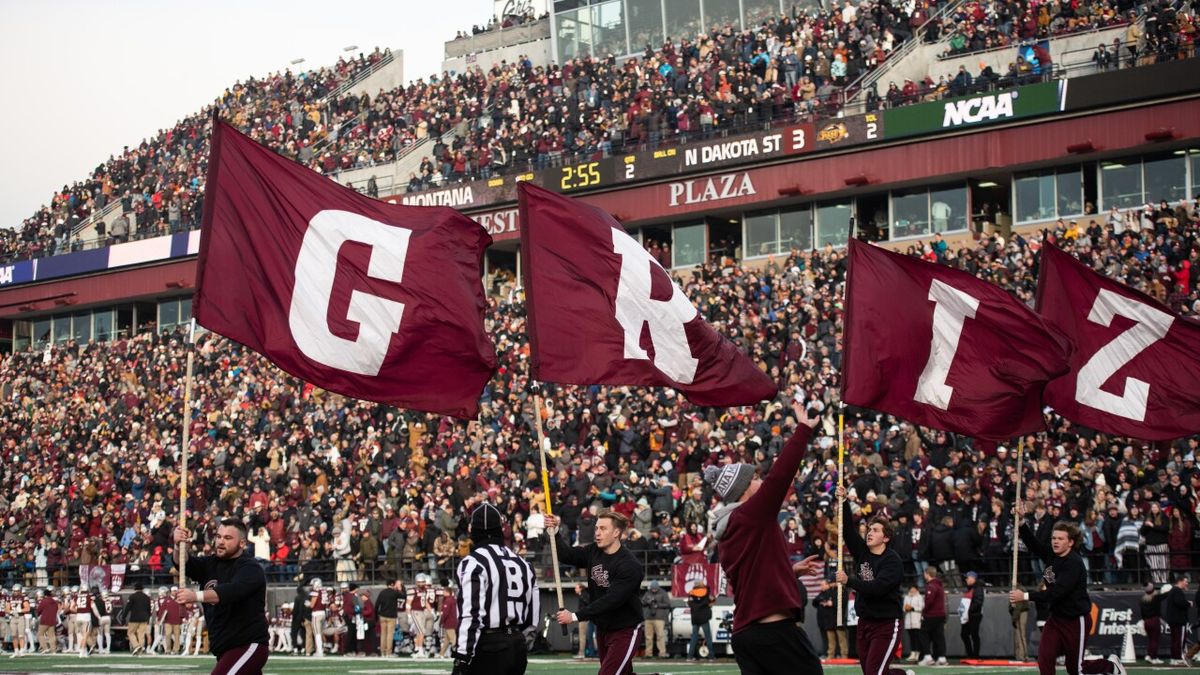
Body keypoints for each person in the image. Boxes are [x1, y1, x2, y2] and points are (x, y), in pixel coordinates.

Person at [704, 400, 823, 674]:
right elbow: (780, 477)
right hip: (774, 632)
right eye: (755, 478)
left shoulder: (729, 530)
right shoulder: (752, 514)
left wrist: (788, 571)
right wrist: (803, 429)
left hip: (746, 635)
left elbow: (753, 575)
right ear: (744, 490)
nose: (761, 480)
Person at [1009, 508, 1124, 675]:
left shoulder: (1074, 564)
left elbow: (1055, 593)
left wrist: (1025, 596)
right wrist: (1021, 521)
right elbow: (1033, 544)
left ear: (1070, 542)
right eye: (1054, 538)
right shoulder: (1052, 554)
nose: (1055, 542)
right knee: (1045, 658)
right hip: (1056, 618)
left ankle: (1111, 667)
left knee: (1075, 669)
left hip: (1076, 620)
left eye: (1060, 539)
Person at [546, 509, 644, 675]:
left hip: (625, 629)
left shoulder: (629, 565)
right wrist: (555, 531)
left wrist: (575, 616)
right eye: (596, 528)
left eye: (603, 529)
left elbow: (611, 600)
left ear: (616, 532)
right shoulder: (593, 551)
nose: (597, 533)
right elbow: (566, 555)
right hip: (603, 628)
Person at [173, 518, 270, 675]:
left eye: (228, 538)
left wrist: (195, 596)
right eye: (218, 536)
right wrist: (178, 545)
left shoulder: (251, 568)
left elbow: (230, 591)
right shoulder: (210, 563)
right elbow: (183, 564)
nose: (220, 542)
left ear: (242, 543)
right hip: (224, 649)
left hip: (247, 645)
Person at [452, 503, 538, 675]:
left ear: (473, 530)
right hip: (517, 645)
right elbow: (532, 614)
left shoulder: (473, 562)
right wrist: (520, 638)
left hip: (489, 645)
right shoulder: (523, 563)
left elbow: (471, 613)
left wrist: (463, 655)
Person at [835, 484, 911, 675]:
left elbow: (877, 588)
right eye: (869, 529)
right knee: (872, 672)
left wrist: (848, 581)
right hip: (864, 622)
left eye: (875, 530)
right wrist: (844, 501)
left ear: (885, 538)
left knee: (874, 673)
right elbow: (848, 532)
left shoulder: (892, 561)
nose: (869, 532)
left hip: (886, 623)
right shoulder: (862, 553)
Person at [918, 567, 947, 666]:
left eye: (924, 573)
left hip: (931, 615)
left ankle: (927, 657)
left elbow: (929, 601)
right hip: (941, 614)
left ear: (927, 574)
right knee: (939, 636)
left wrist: (924, 613)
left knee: (922, 633)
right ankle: (942, 658)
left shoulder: (931, 586)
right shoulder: (939, 585)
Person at [1162, 575, 1192, 666]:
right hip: (1179, 620)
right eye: (1186, 581)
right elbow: (1180, 603)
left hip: (1173, 620)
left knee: (1175, 640)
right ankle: (1178, 658)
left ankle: (1174, 658)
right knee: (1179, 640)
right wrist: (1188, 603)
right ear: (1180, 581)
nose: (1187, 583)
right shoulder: (1177, 591)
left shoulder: (1173, 591)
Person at [686, 581, 715, 661]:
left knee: (694, 638)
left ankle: (689, 657)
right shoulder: (706, 592)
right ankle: (711, 657)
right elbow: (712, 600)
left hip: (695, 617)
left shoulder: (691, 593)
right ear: (702, 585)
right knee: (708, 637)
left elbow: (689, 604)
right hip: (704, 618)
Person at [958, 571, 984, 660]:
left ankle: (975, 655)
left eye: (968, 578)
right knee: (964, 634)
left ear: (973, 578)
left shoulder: (978, 588)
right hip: (967, 616)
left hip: (974, 615)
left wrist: (969, 610)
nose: (966, 579)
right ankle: (970, 654)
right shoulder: (969, 588)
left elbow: (978, 602)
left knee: (974, 635)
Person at [641, 580, 669, 659]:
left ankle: (662, 653)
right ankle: (648, 653)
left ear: (657, 587)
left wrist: (658, 605)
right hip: (648, 618)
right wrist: (647, 602)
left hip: (659, 618)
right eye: (652, 588)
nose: (653, 590)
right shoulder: (647, 593)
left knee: (660, 636)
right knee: (648, 637)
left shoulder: (663, 593)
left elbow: (668, 604)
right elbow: (642, 602)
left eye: (655, 588)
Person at [375, 579, 403, 657]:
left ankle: (382, 652)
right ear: (392, 584)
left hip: (382, 616)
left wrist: (376, 615)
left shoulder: (382, 592)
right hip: (391, 616)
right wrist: (399, 589)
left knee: (383, 634)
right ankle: (388, 652)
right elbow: (403, 596)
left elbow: (377, 604)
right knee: (390, 635)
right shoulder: (394, 593)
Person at [1139, 582, 1163, 664]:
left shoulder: (1142, 599)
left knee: (1150, 640)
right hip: (1154, 620)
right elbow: (1165, 596)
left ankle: (1149, 655)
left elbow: (1142, 613)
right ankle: (1154, 657)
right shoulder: (1156, 598)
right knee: (1154, 640)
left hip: (1146, 621)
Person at [126, 583, 151, 655]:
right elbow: (148, 609)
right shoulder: (146, 597)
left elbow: (128, 607)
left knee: (130, 633)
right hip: (144, 618)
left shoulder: (132, 596)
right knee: (141, 634)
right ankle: (141, 647)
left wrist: (124, 616)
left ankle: (136, 645)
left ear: (135, 588)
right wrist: (148, 618)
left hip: (134, 618)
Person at [903, 585, 924, 662]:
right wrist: (906, 608)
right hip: (908, 621)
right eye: (911, 588)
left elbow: (921, 607)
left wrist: (913, 608)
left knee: (917, 638)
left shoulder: (919, 597)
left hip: (916, 620)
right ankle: (912, 653)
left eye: (914, 588)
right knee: (911, 638)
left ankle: (917, 654)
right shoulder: (906, 597)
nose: (912, 590)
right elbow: (904, 608)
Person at [35, 589, 58, 655]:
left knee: (40, 634)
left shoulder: (44, 601)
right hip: (52, 619)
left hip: (45, 620)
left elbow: (39, 610)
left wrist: (39, 614)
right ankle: (53, 650)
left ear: (45, 595)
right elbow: (56, 609)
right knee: (52, 635)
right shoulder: (54, 601)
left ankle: (45, 648)